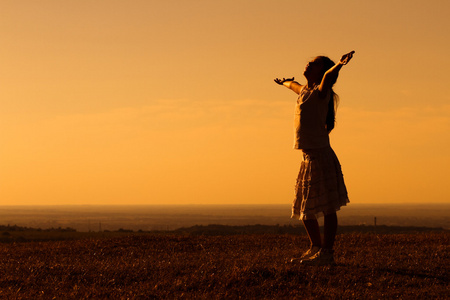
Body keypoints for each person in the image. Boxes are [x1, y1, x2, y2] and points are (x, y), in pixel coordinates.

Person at [274, 51, 354, 266]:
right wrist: (285, 82)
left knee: (328, 207)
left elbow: (328, 77)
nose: (307, 65)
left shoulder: (321, 92)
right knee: (304, 207)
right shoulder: (304, 92)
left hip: (321, 156)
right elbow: (294, 85)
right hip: (308, 158)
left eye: (313, 64)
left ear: (322, 71)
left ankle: (327, 252)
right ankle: (316, 247)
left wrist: (339, 64)